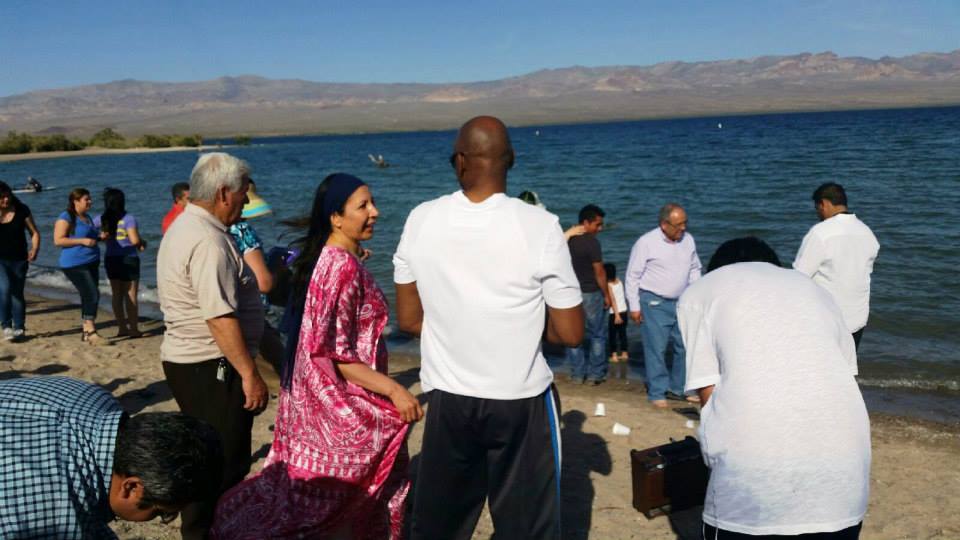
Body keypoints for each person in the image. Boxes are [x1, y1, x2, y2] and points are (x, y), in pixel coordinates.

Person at [395, 116, 584, 539]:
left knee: (438, 525)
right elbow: (571, 333)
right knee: (528, 528)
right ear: (511, 160)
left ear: (460, 162)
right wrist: (516, 326)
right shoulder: (540, 225)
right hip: (521, 399)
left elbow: (408, 319)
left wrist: (462, 326)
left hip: (448, 397)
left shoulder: (421, 219)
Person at [212, 173, 423, 539]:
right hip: (339, 401)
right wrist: (395, 390)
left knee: (320, 504)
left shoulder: (326, 259)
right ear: (335, 217)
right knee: (344, 505)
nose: (375, 212)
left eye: (372, 203)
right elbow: (335, 354)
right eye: (363, 206)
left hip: (310, 402)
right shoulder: (340, 267)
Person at [678, 237, 870, 539]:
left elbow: (709, 393)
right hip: (847, 471)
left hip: (752, 478)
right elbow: (842, 375)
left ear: (716, 269)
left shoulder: (701, 291)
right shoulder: (817, 292)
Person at [156, 152, 269, 539]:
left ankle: (204, 526)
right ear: (223, 193)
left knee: (208, 456)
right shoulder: (208, 241)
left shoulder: (190, 227)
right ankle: (204, 530)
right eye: (243, 193)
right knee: (223, 462)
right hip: (210, 364)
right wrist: (249, 374)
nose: (246, 201)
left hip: (195, 361)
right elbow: (219, 317)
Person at [0, 376, 223, 538]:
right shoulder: (54, 511)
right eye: (163, 513)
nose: (166, 519)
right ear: (131, 487)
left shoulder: (96, 397)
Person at [625, 203, 701, 407]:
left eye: (685, 223)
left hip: (683, 301)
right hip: (654, 302)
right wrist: (634, 306)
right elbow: (632, 276)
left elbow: (694, 269)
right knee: (656, 349)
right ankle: (657, 392)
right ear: (664, 224)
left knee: (684, 346)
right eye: (678, 224)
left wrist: (696, 294)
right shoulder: (646, 243)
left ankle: (679, 388)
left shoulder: (688, 240)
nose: (683, 228)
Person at [794, 182, 879, 351]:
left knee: (820, 365)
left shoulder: (821, 232)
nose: (818, 213)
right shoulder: (867, 233)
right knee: (847, 366)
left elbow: (798, 278)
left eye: (817, 208)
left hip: (827, 321)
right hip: (857, 320)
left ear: (824, 203)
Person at [54, 188, 108, 345]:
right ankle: (91, 331)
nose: (90, 202)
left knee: (87, 295)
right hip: (74, 263)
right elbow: (58, 240)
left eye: (90, 199)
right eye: (86, 199)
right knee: (92, 294)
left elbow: (90, 237)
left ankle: (86, 332)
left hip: (91, 261)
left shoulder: (87, 217)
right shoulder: (66, 217)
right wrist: (82, 241)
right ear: (75, 201)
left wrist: (100, 237)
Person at [566, 204, 612, 385]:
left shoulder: (567, 241)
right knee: (597, 334)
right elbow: (599, 272)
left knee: (573, 334)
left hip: (571, 292)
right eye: (597, 224)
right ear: (585, 223)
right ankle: (595, 374)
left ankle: (577, 374)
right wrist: (607, 294)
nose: (600, 229)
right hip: (591, 292)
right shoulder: (592, 243)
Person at [96, 188, 146, 338]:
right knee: (131, 295)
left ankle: (122, 328)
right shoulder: (128, 218)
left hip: (111, 258)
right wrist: (142, 242)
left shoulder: (101, 218)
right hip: (128, 258)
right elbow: (134, 240)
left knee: (116, 294)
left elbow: (89, 229)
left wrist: (99, 237)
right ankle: (134, 329)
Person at [0, 181, 40, 342]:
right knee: (5, 289)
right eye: (1, 197)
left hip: (19, 259)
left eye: (8, 196)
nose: (6, 200)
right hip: (0, 260)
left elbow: (34, 232)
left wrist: (35, 249)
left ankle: (19, 327)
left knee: (17, 293)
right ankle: (6, 326)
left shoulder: (22, 210)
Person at [605, 262, 629, 378]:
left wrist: (616, 315)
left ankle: (614, 355)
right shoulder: (619, 281)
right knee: (623, 333)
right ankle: (624, 353)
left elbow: (613, 300)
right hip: (624, 310)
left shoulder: (608, 285)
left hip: (615, 313)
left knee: (612, 335)